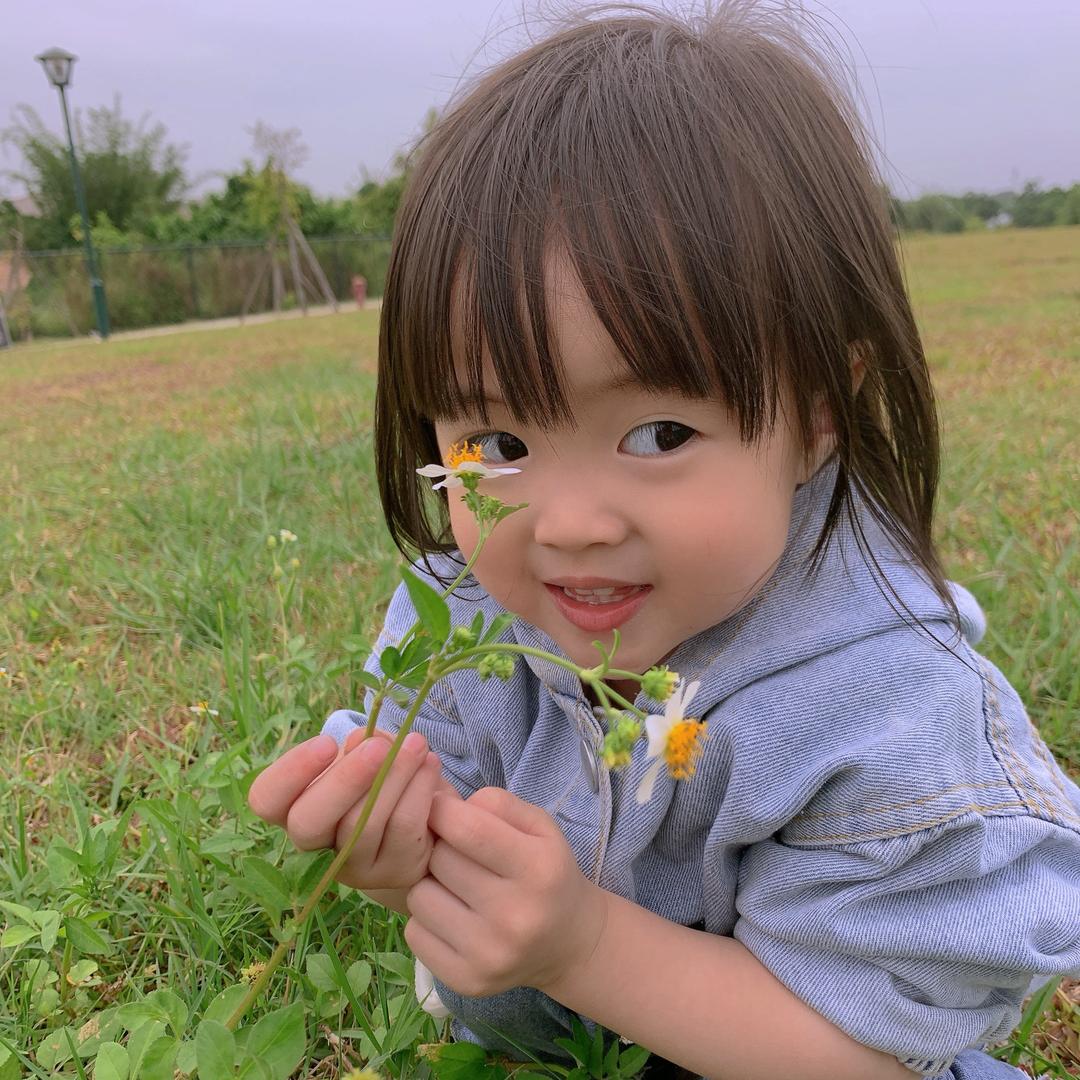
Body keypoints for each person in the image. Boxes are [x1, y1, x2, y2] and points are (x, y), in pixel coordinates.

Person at [247, 5, 1080, 1078]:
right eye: (497, 441)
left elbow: (870, 1054)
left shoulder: (885, 714)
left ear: (821, 410)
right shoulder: (462, 617)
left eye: (659, 433)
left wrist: (586, 946)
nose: (571, 523)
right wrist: (399, 843)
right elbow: (440, 838)